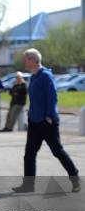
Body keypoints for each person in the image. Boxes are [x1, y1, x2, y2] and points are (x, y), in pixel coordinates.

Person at [12, 49, 80, 193]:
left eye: (26, 59)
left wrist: (49, 115)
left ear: (33, 60)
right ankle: (28, 185)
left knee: (57, 151)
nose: (24, 62)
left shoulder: (45, 76)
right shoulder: (34, 76)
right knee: (29, 153)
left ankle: (75, 178)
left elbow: (52, 97)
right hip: (34, 121)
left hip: (47, 121)